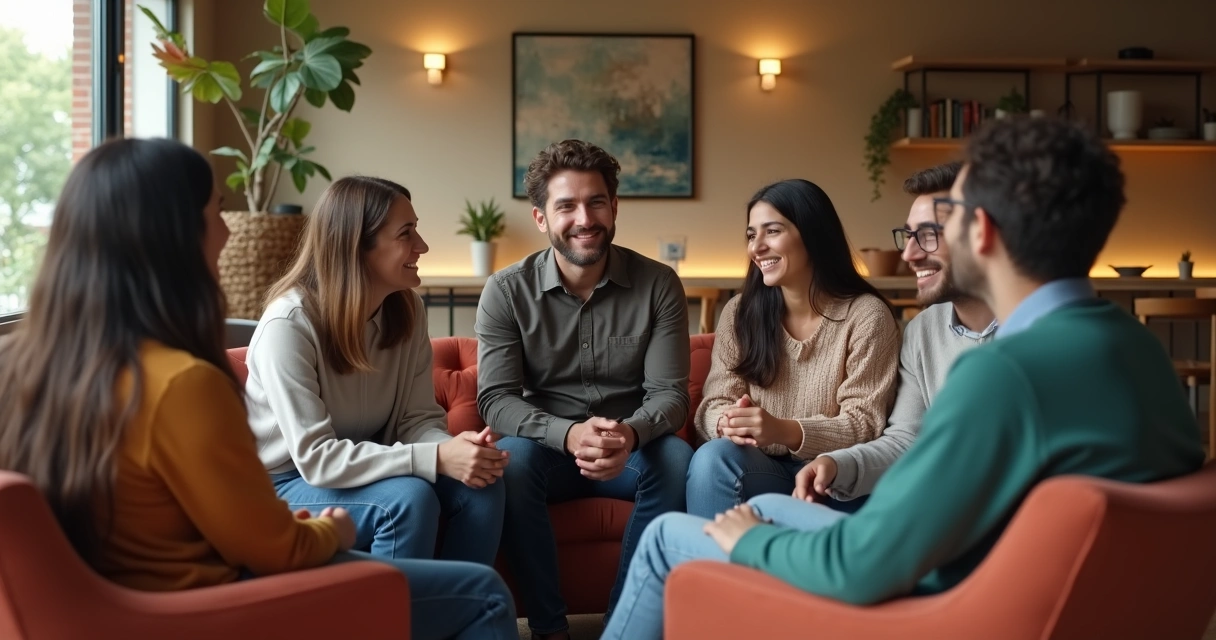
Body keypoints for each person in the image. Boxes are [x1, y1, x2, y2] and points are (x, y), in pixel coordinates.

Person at [599, 117, 1206, 639]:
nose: (915, 251)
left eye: (944, 222)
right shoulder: (1140, 350)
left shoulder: (1002, 376)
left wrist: (748, 541)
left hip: (937, 605)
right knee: (763, 507)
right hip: (1008, 582)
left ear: (982, 232)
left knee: (671, 538)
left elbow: (866, 563)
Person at [0, 138, 516, 639]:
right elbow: (272, 544)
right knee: (481, 590)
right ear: (172, 233)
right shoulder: (185, 381)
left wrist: (446, 449)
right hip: (208, 605)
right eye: (216, 212)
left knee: (454, 507)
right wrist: (330, 533)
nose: (227, 234)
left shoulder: (28, 369)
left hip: (135, 605)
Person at [476, 139, 693, 639]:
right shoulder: (506, 291)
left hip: (631, 445)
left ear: (614, 207)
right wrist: (569, 435)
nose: (584, 218)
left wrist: (630, 436)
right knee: (511, 466)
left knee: (678, 462)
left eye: (596, 202)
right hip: (546, 449)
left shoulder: (659, 283)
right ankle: (550, 630)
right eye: (566, 206)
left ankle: (624, 624)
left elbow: (671, 395)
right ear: (541, 218)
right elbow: (495, 399)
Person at [245, 176, 507, 565]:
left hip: (366, 468)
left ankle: (457, 616)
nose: (423, 246)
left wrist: (458, 451)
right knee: (405, 500)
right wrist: (434, 458)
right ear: (357, 246)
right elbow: (316, 459)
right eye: (407, 233)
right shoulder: (289, 324)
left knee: (482, 485)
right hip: (284, 484)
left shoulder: (407, 310)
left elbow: (416, 419)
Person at [685, 178, 900, 518]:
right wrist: (728, 423)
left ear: (812, 234)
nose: (756, 247)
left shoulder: (866, 316)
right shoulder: (740, 313)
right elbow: (712, 406)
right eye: (751, 235)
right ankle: (712, 571)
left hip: (833, 480)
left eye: (772, 231)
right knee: (713, 457)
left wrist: (781, 430)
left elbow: (864, 424)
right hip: (760, 469)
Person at [798, 163, 998, 503]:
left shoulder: (1044, 335)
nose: (910, 254)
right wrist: (836, 464)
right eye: (909, 235)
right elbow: (905, 441)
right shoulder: (923, 330)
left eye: (929, 235)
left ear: (982, 234)